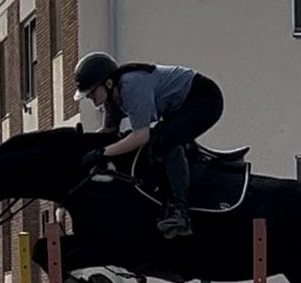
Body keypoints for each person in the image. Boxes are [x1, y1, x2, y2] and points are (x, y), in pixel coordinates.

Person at [74, 51, 224, 238]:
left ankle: (180, 213)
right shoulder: (112, 97)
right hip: (180, 106)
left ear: (108, 82)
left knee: (165, 144)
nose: (89, 98)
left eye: (91, 91)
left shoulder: (130, 87)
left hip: (204, 99)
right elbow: (109, 133)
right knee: (157, 143)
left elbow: (140, 136)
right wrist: (85, 148)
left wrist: (102, 153)